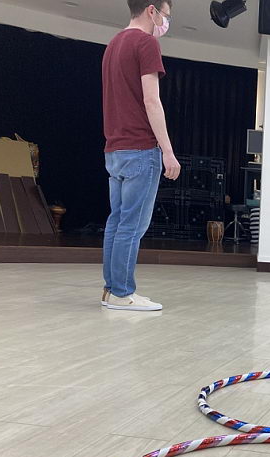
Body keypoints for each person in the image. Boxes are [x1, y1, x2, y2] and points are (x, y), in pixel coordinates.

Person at [100, 0, 181, 311]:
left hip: (115, 149)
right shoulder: (146, 43)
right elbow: (151, 101)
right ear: (151, 10)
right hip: (140, 148)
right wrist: (168, 151)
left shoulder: (113, 44)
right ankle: (122, 293)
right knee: (132, 226)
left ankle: (112, 290)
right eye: (165, 15)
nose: (165, 22)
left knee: (117, 222)